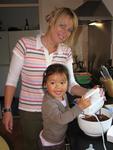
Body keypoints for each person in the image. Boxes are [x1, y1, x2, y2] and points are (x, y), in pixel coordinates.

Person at [2, 7, 104, 150]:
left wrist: (91, 92)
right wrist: (7, 110)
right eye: (62, 25)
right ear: (52, 22)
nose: (65, 32)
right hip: (31, 112)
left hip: (59, 111)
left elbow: (71, 85)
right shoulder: (25, 45)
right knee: (31, 146)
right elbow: (11, 81)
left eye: (70, 29)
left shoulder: (66, 52)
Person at [39, 63, 90, 150]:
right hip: (49, 144)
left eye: (62, 82)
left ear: (67, 83)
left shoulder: (63, 95)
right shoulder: (49, 103)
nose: (58, 86)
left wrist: (77, 104)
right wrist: (79, 108)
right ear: (45, 84)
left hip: (60, 138)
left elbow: (66, 110)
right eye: (52, 82)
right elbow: (61, 119)